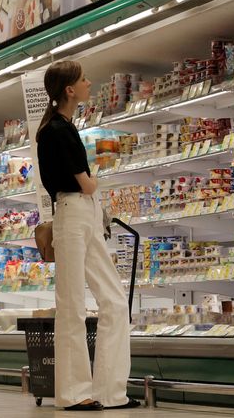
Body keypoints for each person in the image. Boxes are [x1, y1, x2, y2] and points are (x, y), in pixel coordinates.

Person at [36, 60, 139, 411]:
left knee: (113, 301)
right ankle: (72, 394)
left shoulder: (65, 127)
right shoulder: (56, 131)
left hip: (85, 214)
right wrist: (95, 182)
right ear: (69, 89)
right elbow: (87, 183)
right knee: (72, 307)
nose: (89, 83)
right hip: (72, 213)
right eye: (83, 80)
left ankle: (110, 392)